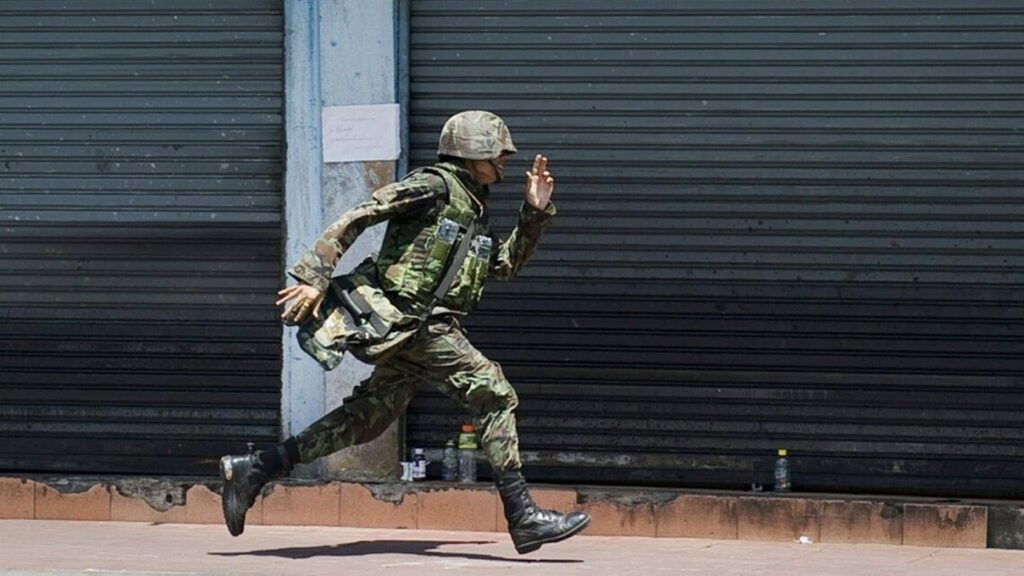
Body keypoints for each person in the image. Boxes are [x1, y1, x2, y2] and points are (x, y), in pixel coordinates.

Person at [219, 110, 591, 554]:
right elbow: (364, 212)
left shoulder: (472, 206)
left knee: (365, 419)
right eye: (498, 154)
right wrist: (314, 275)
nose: (504, 164)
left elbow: (504, 265)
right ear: (473, 151)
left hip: (413, 330)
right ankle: (523, 516)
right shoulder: (434, 186)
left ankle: (256, 467)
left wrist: (533, 213)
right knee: (495, 393)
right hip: (417, 323)